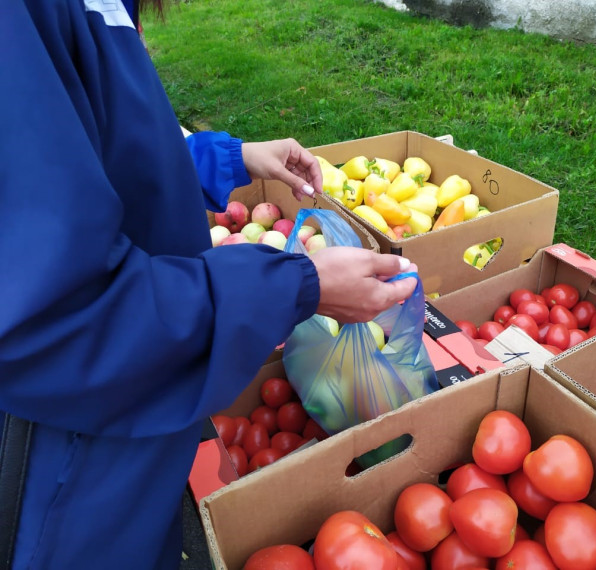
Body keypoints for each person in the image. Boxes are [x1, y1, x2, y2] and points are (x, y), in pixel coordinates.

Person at [0, 1, 419, 568]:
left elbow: (104, 150)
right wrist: (297, 286)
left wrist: (230, 159)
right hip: (62, 460)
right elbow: (59, 310)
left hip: (135, 399)